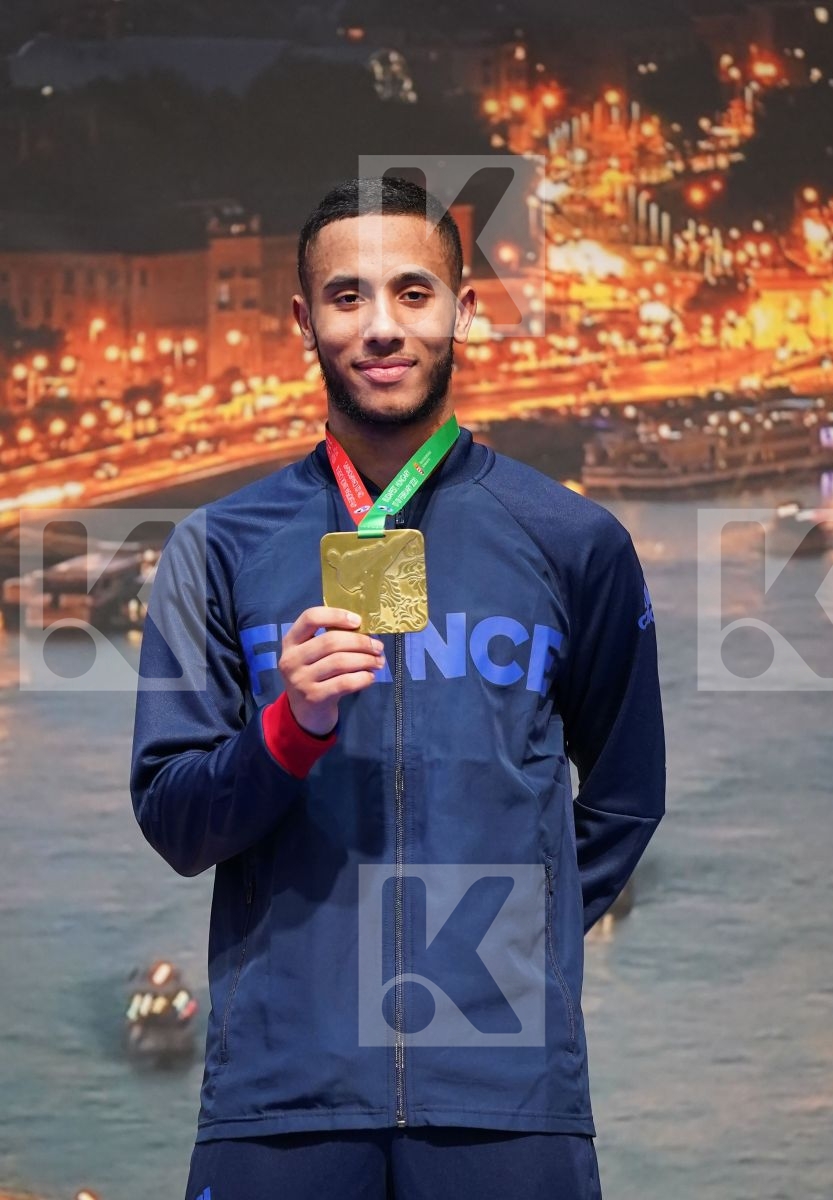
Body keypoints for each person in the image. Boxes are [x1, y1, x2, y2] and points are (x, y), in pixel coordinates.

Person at [129, 176, 666, 1200]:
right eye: (347, 297)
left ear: (464, 311)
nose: (382, 326)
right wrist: (288, 729)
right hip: (281, 1094)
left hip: (505, 1096)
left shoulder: (575, 542)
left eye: (413, 293)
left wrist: (509, 941)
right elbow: (174, 820)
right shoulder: (217, 549)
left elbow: (629, 796)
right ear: (304, 322)